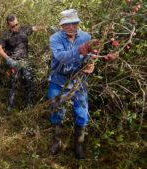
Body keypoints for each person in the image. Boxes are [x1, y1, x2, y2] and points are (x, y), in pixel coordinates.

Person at [47, 9, 98, 159]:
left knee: (81, 113)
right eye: (67, 24)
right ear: (62, 25)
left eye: (74, 23)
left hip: (79, 81)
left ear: (78, 23)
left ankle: (78, 146)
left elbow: (89, 57)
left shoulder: (85, 37)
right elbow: (62, 57)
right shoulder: (55, 38)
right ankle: (57, 142)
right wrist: (81, 49)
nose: (71, 27)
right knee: (56, 110)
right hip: (58, 80)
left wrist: (90, 65)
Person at [0, 14, 51, 111]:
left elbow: (35, 28)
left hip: (25, 61)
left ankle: (29, 105)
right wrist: (8, 59)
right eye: (13, 26)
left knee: (29, 82)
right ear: (9, 26)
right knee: (12, 83)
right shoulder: (6, 35)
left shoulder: (24, 29)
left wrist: (47, 27)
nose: (16, 27)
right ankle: (10, 106)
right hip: (14, 62)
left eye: (17, 24)